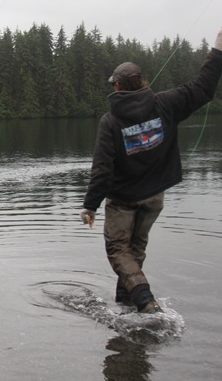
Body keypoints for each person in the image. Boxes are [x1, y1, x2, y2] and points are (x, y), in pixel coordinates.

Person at [81, 28, 222, 314]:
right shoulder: (166, 103)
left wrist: (90, 206)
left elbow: (102, 170)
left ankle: (146, 302)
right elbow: (203, 88)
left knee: (118, 250)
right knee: (136, 249)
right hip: (155, 197)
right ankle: (126, 303)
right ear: (141, 82)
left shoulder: (110, 121)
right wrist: (218, 50)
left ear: (117, 86)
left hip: (124, 200)